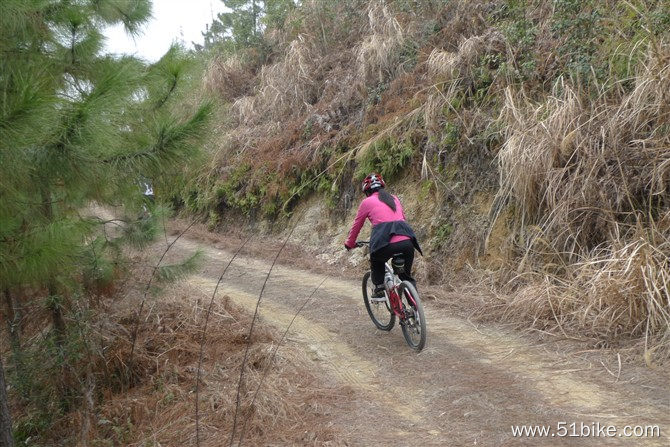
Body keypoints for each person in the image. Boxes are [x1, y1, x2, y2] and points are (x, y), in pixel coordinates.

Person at [344, 173, 422, 298]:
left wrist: (349, 243)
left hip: (385, 244)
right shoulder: (394, 198)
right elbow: (402, 218)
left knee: (376, 259)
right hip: (407, 241)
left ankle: (379, 289)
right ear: (383, 186)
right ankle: (415, 311)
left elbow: (357, 226)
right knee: (405, 276)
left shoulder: (367, 202)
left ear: (366, 191)